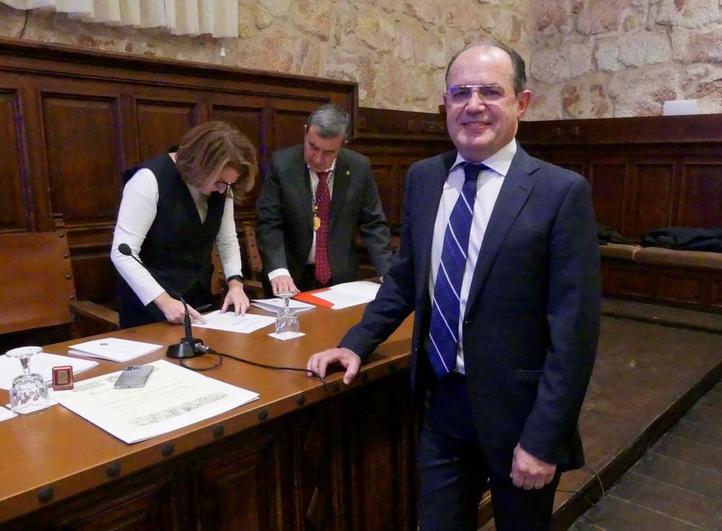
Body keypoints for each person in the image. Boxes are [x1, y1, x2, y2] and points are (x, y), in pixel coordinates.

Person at [307, 41, 600, 531]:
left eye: (491, 91)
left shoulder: (560, 192)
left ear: (521, 103)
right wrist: (356, 343)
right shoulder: (425, 178)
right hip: (442, 403)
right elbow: (404, 279)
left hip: (519, 416)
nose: (474, 104)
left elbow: (574, 332)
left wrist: (544, 439)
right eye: (460, 92)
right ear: (446, 103)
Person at [111, 121, 258, 328]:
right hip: (149, 311)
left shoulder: (223, 187)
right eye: (219, 182)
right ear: (201, 166)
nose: (223, 190)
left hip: (199, 304)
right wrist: (164, 301)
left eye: (229, 185)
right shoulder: (149, 179)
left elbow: (227, 240)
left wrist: (235, 283)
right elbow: (122, 253)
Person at [255, 103, 393, 295]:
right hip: (289, 278)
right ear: (305, 132)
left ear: (342, 143)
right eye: (313, 147)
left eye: (329, 152)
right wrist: (278, 269)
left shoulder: (359, 167)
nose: (318, 159)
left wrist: (388, 273)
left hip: (341, 280)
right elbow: (268, 223)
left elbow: (374, 224)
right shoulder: (282, 165)